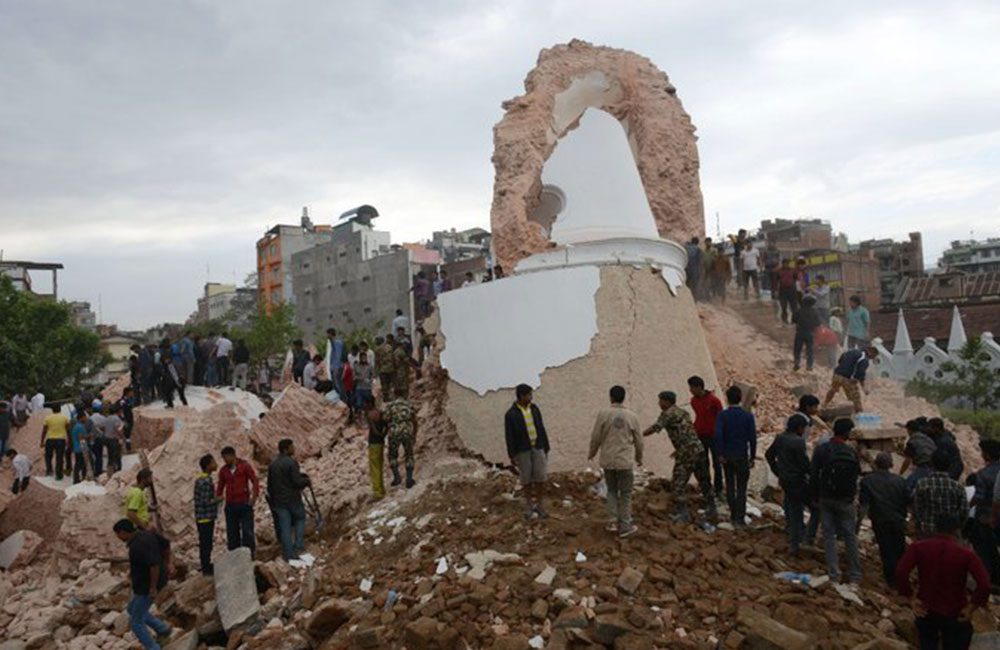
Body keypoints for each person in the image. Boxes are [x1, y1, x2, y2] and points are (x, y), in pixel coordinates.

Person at [896, 513, 990, 650]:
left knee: (927, 644)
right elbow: (984, 584)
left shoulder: (918, 547)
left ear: (935, 528)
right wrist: (971, 608)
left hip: (926, 610)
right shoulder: (966, 554)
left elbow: (901, 571)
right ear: (957, 530)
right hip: (955, 612)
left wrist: (910, 597)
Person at [643, 390, 717, 523]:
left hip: (686, 453)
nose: (659, 403)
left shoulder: (667, 414)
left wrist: (639, 435)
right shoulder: (683, 412)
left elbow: (655, 428)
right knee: (704, 480)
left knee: (678, 483)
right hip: (698, 449)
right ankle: (712, 508)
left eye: (660, 400)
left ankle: (683, 513)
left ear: (666, 401)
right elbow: (686, 431)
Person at [810, 418, 862, 584]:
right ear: (847, 433)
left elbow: (813, 475)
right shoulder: (851, 452)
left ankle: (834, 574)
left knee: (829, 536)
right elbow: (857, 475)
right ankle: (855, 575)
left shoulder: (822, 449)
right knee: (849, 537)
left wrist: (814, 496)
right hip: (846, 500)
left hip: (826, 498)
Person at [588, 385, 642, 538]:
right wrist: (639, 457)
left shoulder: (603, 414)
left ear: (610, 397)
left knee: (611, 490)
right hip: (624, 461)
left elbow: (596, 437)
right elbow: (639, 440)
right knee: (625, 493)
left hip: (608, 460)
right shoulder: (632, 416)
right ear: (623, 397)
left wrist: (592, 453)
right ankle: (625, 525)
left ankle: (612, 522)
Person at [113, 519, 173, 649]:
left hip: (146, 586)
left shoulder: (137, 546)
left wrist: (152, 587)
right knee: (131, 609)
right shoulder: (146, 534)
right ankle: (163, 629)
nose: (118, 538)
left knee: (136, 622)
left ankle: (153, 647)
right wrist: (168, 563)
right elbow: (166, 544)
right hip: (149, 581)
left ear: (123, 532)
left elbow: (154, 566)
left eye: (118, 535)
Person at [859, 452, 910, 586]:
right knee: (900, 549)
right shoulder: (900, 481)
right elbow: (908, 501)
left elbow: (864, 504)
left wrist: (857, 524)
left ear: (876, 464)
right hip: (898, 520)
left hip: (880, 520)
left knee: (886, 550)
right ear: (891, 465)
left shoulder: (867, 481)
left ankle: (891, 580)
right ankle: (902, 578)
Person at [765, 414, 811, 555]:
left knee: (791, 507)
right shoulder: (798, 442)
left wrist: (778, 471)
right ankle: (798, 541)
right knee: (802, 509)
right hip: (796, 479)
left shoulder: (780, 438)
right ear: (799, 428)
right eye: (803, 428)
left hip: (785, 479)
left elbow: (769, 455)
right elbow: (804, 464)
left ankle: (794, 536)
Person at [505, 384, 551, 519]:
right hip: (522, 450)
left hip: (538, 447)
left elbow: (541, 427)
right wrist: (512, 454)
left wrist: (546, 445)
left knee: (540, 477)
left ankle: (540, 505)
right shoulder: (511, 414)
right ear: (521, 396)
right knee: (526, 479)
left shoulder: (535, 409)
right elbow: (509, 435)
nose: (531, 397)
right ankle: (529, 505)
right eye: (529, 395)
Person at [714, 385, 757, 528]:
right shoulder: (748, 416)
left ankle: (733, 516)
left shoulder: (723, 415)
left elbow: (718, 435)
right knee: (742, 488)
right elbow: (752, 438)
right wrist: (753, 456)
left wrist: (719, 453)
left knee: (730, 486)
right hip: (742, 456)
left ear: (727, 398)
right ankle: (740, 518)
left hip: (727, 456)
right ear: (740, 398)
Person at [267, 438, 311, 562]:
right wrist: (306, 481)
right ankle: (298, 546)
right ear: (286, 449)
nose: (294, 449)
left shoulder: (273, 464)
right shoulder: (291, 463)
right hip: (293, 499)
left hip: (279, 501)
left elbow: (269, 485)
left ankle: (288, 554)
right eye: (292, 447)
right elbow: (296, 482)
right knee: (300, 518)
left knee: (284, 526)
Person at [913, 448, 969, 541]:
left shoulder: (922, 484)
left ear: (932, 464)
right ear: (949, 466)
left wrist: (923, 521)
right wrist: (957, 526)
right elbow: (964, 512)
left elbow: (917, 509)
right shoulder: (957, 487)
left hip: (928, 530)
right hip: (950, 532)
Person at [968, 439, 1000, 589]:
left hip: (985, 517)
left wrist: (967, 506)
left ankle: (987, 581)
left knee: (984, 549)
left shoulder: (983, 474)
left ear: (986, 455)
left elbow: (979, 497)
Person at [217, 446, 259, 556]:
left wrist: (253, 498)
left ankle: (250, 554)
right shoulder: (223, 471)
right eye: (223, 458)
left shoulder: (244, 466)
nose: (225, 460)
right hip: (230, 506)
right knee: (232, 533)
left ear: (233, 455)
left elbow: (254, 481)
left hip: (244, 504)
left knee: (247, 531)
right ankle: (235, 556)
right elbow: (220, 488)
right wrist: (219, 499)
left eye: (226, 457)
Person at [688, 376, 724, 497]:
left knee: (717, 463)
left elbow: (721, 419)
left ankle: (719, 488)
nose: (690, 390)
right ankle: (707, 488)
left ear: (698, 387)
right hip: (700, 436)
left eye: (692, 387)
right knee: (703, 463)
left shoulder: (714, 401)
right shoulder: (694, 401)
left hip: (714, 437)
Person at [821, 345, 876, 413]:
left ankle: (824, 404)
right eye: (873, 356)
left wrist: (842, 367)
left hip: (837, 374)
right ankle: (859, 415)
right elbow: (861, 373)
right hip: (847, 378)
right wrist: (863, 387)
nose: (872, 358)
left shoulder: (852, 351)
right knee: (856, 398)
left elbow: (840, 359)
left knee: (833, 389)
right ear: (871, 352)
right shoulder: (864, 359)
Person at [385, 387, 418, 489]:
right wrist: (414, 434)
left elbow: (386, 419)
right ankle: (409, 479)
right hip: (407, 431)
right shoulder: (409, 404)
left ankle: (397, 478)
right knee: (409, 454)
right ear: (404, 395)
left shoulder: (390, 405)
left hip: (394, 432)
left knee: (392, 455)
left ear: (394, 394)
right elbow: (414, 420)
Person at [194, 454, 221, 575]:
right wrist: (218, 499)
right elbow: (205, 501)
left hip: (203, 517)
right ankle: (206, 568)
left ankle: (206, 564)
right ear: (208, 465)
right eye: (213, 462)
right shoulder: (205, 481)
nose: (216, 464)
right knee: (206, 543)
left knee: (206, 542)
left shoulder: (202, 479)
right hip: (205, 518)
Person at [900, 419, 937, 487]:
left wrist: (900, 474)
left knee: (908, 485)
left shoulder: (912, 442)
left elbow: (907, 460)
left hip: (924, 467)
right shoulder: (927, 438)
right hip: (936, 466)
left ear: (909, 430)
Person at [364, 396, 387, 500]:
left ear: (369, 404)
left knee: (374, 468)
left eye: (366, 403)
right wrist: (383, 435)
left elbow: (373, 429)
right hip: (381, 442)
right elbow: (387, 425)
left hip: (373, 442)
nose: (364, 406)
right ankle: (382, 489)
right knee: (380, 465)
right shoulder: (380, 412)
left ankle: (377, 492)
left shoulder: (369, 415)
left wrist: (378, 434)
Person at [792, 294, 821, 371]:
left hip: (800, 332)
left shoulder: (799, 310)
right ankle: (809, 365)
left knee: (797, 348)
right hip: (810, 333)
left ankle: (797, 362)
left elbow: (794, 320)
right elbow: (818, 323)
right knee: (810, 349)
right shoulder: (815, 312)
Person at [40, 406, 70, 481]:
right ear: (60, 410)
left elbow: (44, 431)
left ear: (52, 410)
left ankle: (49, 471)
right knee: (59, 457)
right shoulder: (64, 418)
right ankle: (58, 475)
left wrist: (42, 441)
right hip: (61, 439)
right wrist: (69, 440)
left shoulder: (48, 418)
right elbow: (68, 430)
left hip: (50, 439)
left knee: (48, 456)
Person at [102, 404, 124, 476]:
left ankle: (110, 472)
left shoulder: (106, 418)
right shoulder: (116, 418)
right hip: (114, 439)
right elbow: (118, 429)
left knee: (110, 456)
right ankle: (118, 471)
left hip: (107, 439)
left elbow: (104, 429)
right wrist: (122, 437)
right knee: (117, 456)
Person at [775, 259, 798, 324]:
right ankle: (784, 320)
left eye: (787, 263)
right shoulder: (779, 271)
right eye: (784, 263)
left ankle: (794, 320)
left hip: (792, 290)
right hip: (782, 290)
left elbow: (795, 278)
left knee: (794, 306)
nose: (786, 265)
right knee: (783, 306)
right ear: (782, 264)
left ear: (788, 264)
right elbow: (776, 281)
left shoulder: (792, 270)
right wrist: (776, 291)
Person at [353, 351, 374, 421]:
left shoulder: (370, 366)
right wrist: (360, 378)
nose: (364, 359)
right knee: (359, 404)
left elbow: (373, 375)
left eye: (365, 357)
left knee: (368, 404)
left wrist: (370, 380)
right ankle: (359, 419)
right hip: (359, 388)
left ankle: (368, 418)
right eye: (362, 358)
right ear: (360, 358)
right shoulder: (356, 366)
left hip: (367, 388)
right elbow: (354, 376)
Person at [69, 411, 89, 483]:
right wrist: (89, 436)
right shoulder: (80, 427)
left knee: (78, 464)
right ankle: (79, 479)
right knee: (81, 464)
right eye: (85, 417)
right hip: (81, 449)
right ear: (82, 418)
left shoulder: (75, 426)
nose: (86, 418)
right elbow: (81, 438)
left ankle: (77, 479)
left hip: (77, 448)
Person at [325, 329, 345, 397]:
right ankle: (338, 399)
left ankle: (343, 400)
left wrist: (336, 367)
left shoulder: (338, 343)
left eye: (327, 334)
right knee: (334, 384)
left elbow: (338, 356)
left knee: (338, 384)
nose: (327, 336)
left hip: (337, 367)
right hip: (333, 367)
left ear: (331, 334)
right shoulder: (331, 344)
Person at [375, 335, 395, 400]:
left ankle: (386, 397)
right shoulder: (389, 347)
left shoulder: (378, 349)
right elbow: (393, 357)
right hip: (391, 368)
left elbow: (377, 361)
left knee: (384, 384)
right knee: (390, 384)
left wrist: (376, 371)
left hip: (383, 369)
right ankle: (391, 396)